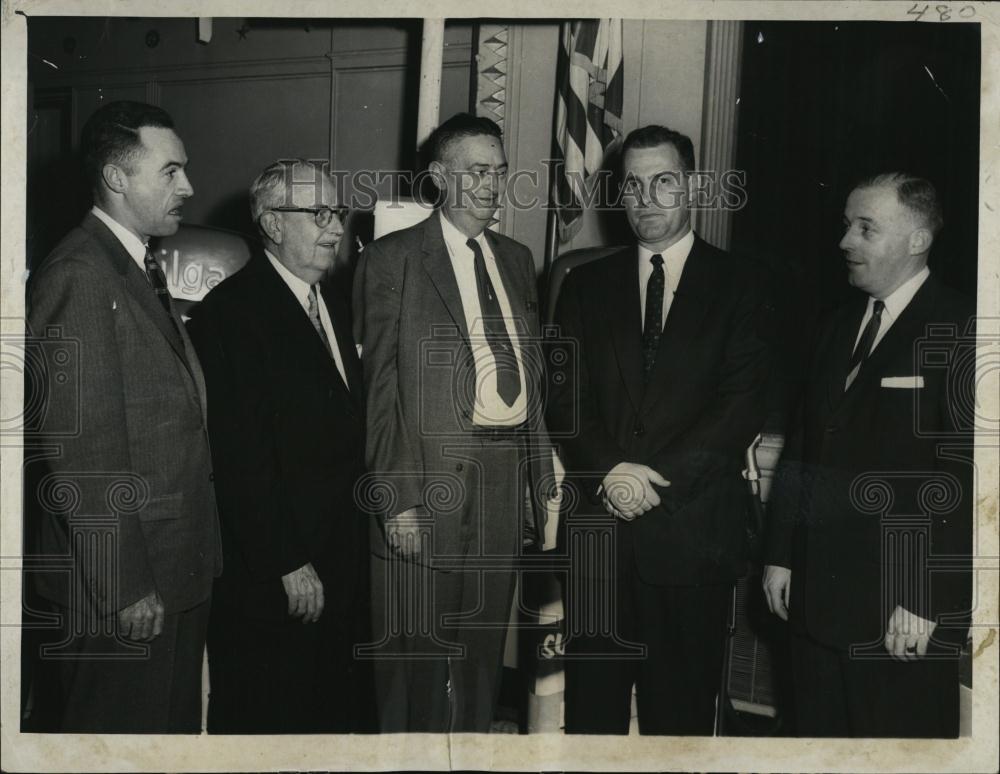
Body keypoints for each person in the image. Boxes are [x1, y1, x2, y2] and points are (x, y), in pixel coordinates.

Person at [547, 124, 773, 734]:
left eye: (663, 182)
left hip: (692, 537)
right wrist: (611, 472)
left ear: (694, 187)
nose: (646, 198)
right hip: (601, 542)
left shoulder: (743, 285)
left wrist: (655, 483)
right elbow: (565, 400)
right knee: (591, 721)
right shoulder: (583, 285)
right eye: (633, 185)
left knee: (681, 724)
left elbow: (741, 407)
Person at [353, 112, 553, 732]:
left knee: (483, 651)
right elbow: (378, 389)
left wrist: (535, 482)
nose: (493, 184)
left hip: (502, 476)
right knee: (412, 651)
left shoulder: (517, 260)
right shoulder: (394, 260)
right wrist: (398, 500)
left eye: (498, 170)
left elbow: (531, 377)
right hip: (424, 477)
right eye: (476, 171)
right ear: (439, 177)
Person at [24, 100, 220, 732]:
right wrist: (126, 584)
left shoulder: (129, 265)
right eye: (171, 171)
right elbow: (83, 451)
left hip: (170, 574)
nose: (188, 186)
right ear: (116, 177)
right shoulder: (79, 273)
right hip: (125, 591)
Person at [763, 173, 974, 737]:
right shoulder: (834, 326)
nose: (845, 242)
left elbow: (967, 482)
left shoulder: (965, 331)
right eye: (846, 226)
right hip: (813, 607)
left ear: (917, 239)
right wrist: (783, 553)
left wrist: (930, 600)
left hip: (899, 615)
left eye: (865, 228)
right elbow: (804, 449)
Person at [187, 159, 373, 733]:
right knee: (268, 723)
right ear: (271, 223)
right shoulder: (231, 313)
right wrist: (287, 561)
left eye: (336, 212)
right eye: (319, 214)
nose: (336, 228)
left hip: (338, 564)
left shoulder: (333, 306)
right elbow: (238, 456)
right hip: (276, 578)